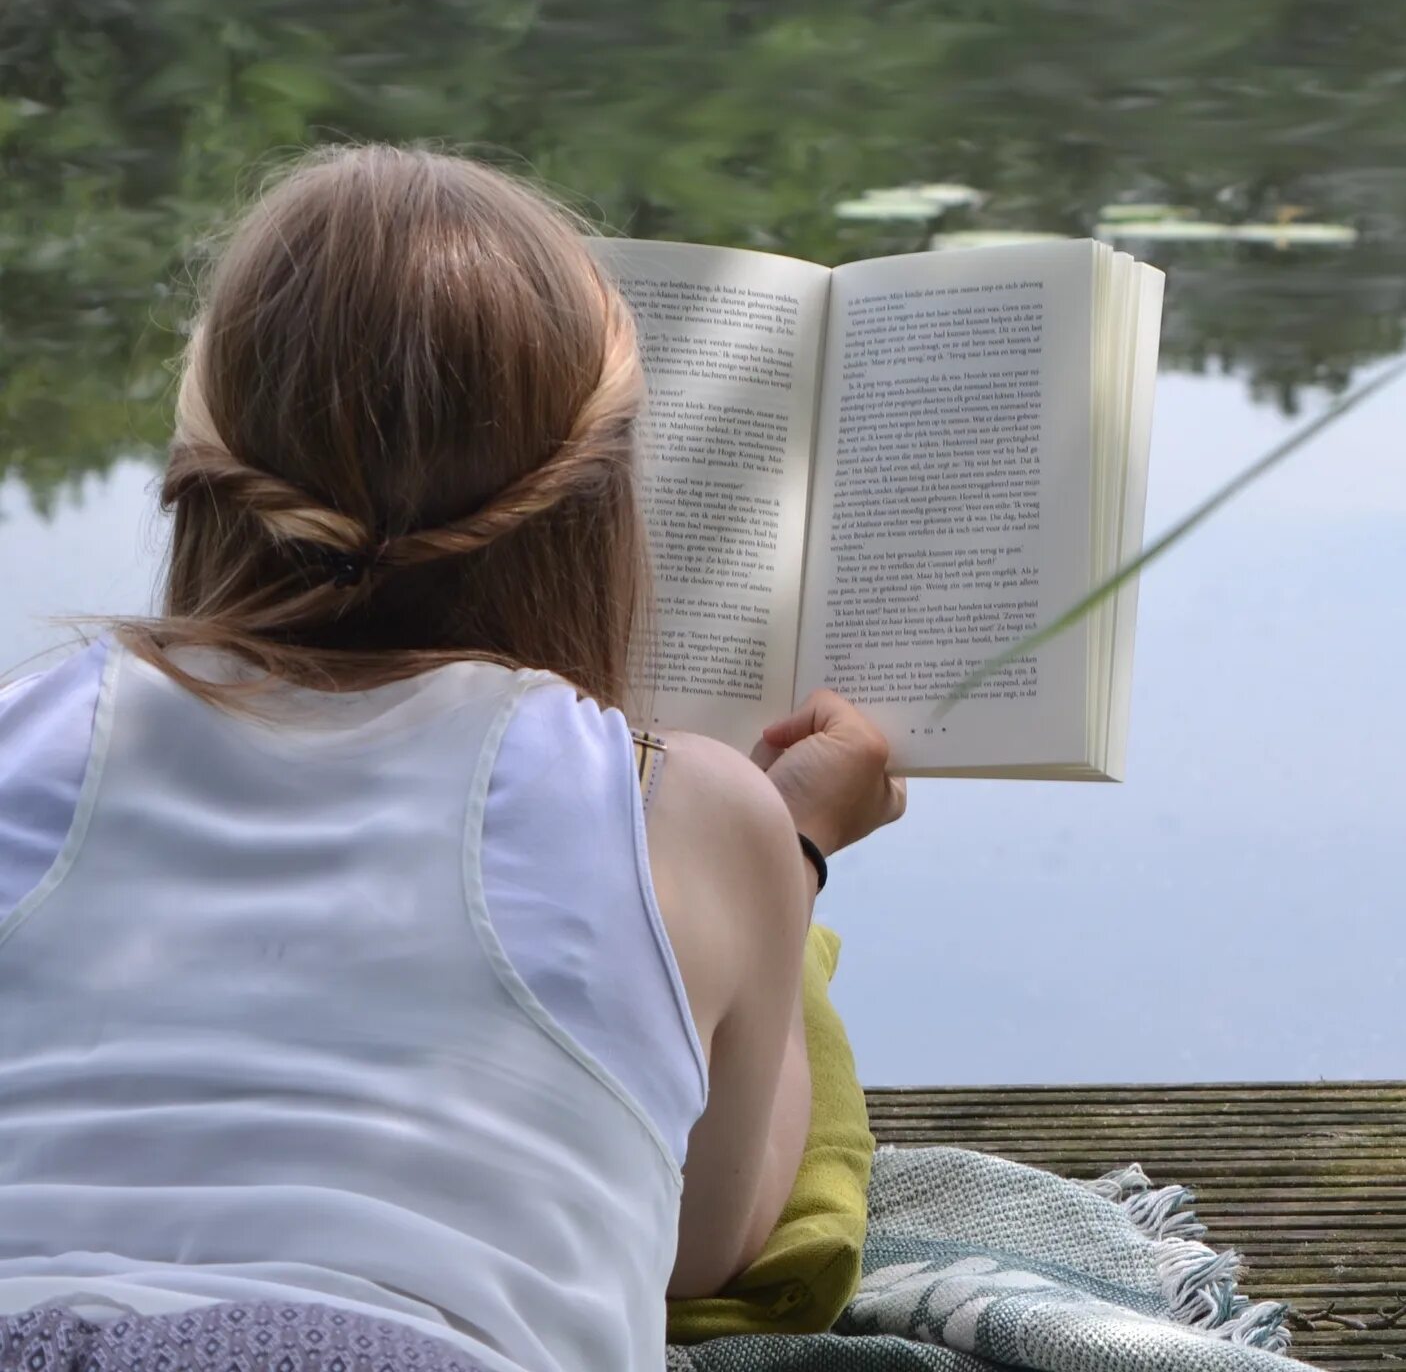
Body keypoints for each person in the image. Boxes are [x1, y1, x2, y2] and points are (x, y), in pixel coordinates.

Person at [0, 146, 906, 1371]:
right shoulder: (681, 805)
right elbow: (704, 1248)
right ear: (601, 509)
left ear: (201, 469)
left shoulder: (21, 727)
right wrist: (790, 852)